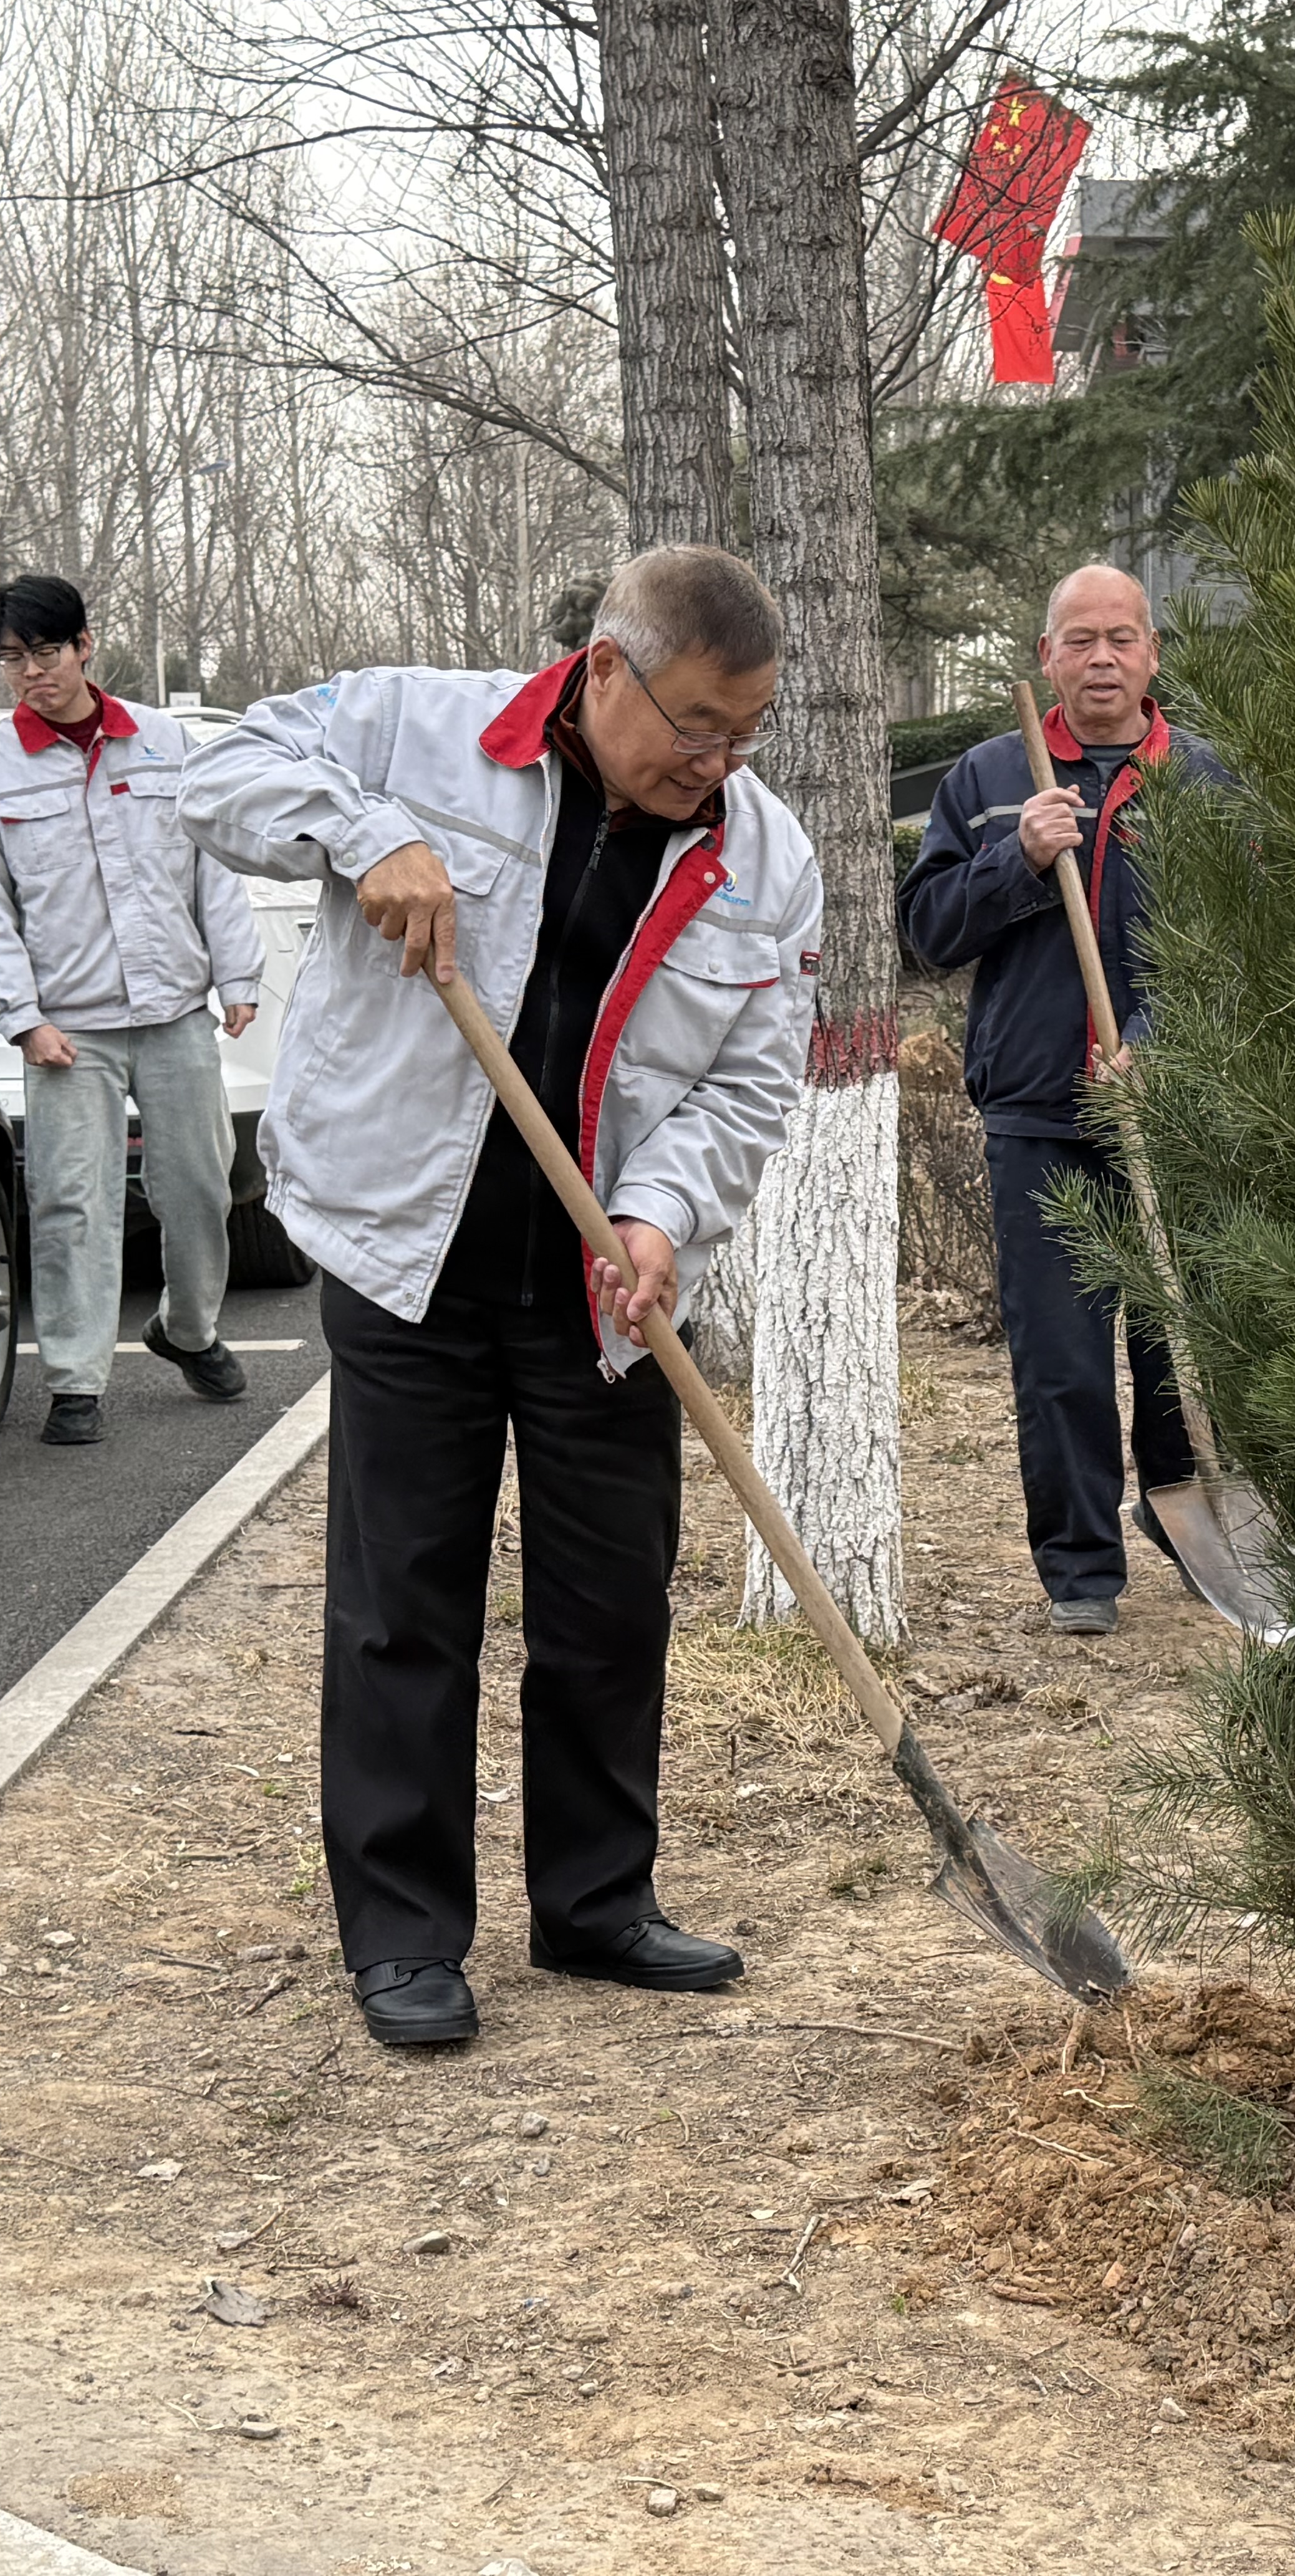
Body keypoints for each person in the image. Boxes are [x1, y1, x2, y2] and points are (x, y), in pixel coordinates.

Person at [179, 545, 818, 2049]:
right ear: (606, 671)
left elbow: (752, 1077)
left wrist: (662, 1217)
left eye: (748, 731)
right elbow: (218, 781)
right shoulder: (412, 732)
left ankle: (598, 1907)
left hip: (603, 1281)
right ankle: (405, 1935)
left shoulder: (767, 854)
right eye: (695, 727)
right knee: (408, 1600)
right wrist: (362, 832)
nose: (717, 762)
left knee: (610, 1601)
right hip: (413, 1254)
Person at [898, 564, 1208, 1634]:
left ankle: (1190, 1517)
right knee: (1062, 1358)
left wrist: (1161, 1052)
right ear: (1048, 659)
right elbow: (929, 932)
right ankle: (1082, 1569)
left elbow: (1238, 955)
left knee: (1185, 1343)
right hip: (1039, 1112)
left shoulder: (1204, 784)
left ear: (1153, 653)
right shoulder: (991, 779)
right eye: (1080, 640)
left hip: (1173, 1114)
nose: (1103, 659)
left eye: (1122, 638)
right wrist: (1019, 860)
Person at [0, 575, 262, 1447]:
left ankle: (188, 1330)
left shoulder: (166, 745)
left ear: (86, 646)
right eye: (11, 659)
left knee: (201, 1185)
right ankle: (76, 1381)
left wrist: (238, 979)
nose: (30, 673)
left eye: (45, 652)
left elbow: (213, 870)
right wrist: (21, 1017)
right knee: (72, 1201)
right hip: (67, 1030)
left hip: (171, 1013)